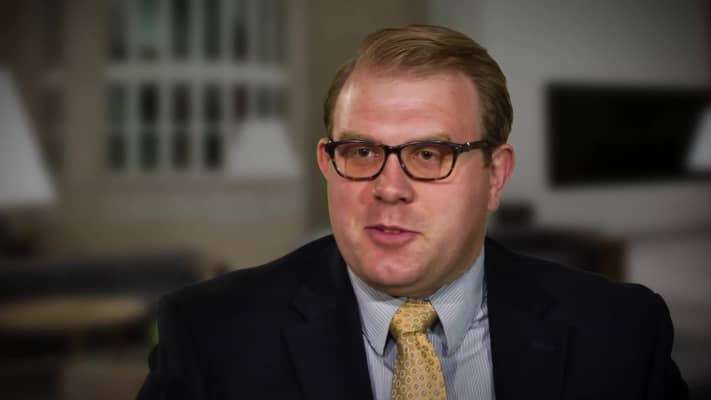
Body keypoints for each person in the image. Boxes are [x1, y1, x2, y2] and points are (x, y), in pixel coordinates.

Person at [137, 25, 688, 400]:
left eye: (429, 154)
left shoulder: (621, 332)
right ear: (328, 164)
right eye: (361, 151)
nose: (389, 188)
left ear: (495, 176)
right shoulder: (209, 335)